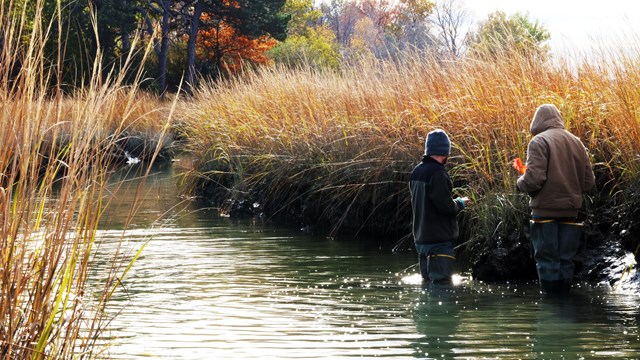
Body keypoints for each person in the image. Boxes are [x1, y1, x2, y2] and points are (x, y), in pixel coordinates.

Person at [516, 104, 595, 294]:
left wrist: (520, 182)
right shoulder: (577, 142)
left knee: (546, 260)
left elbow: (534, 180)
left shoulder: (539, 141)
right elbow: (589, 182)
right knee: (565, 260)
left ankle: (551, 307)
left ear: (537, 121)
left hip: (545, 211)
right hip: (571, 212)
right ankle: (563, 304)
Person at [410, 129, 470, 284]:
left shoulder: (417, 172)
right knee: (441, 289)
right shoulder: (438, 173)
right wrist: (461, 203)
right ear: (444, 152)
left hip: (421, 241)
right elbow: (446, 207)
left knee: (427, 285)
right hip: (439, 243)